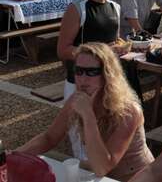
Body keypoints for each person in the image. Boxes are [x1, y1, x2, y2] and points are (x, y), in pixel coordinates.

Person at [18, 43, 154, 182]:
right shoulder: (76, 100)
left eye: (92, 72)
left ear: (107, 74)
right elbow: (49, 138)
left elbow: (103, 167)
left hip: (136, 176)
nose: (83, 79)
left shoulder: (129, 111)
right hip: (100, 175)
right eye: (79, 71)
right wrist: (13, 156)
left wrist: (88, 115)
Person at [58, 0, 120, 99]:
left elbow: (115, 42)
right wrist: (100, 52)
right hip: (81, 85)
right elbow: (63, 51)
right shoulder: (77, 9)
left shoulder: (115, 7)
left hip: (109, 82)